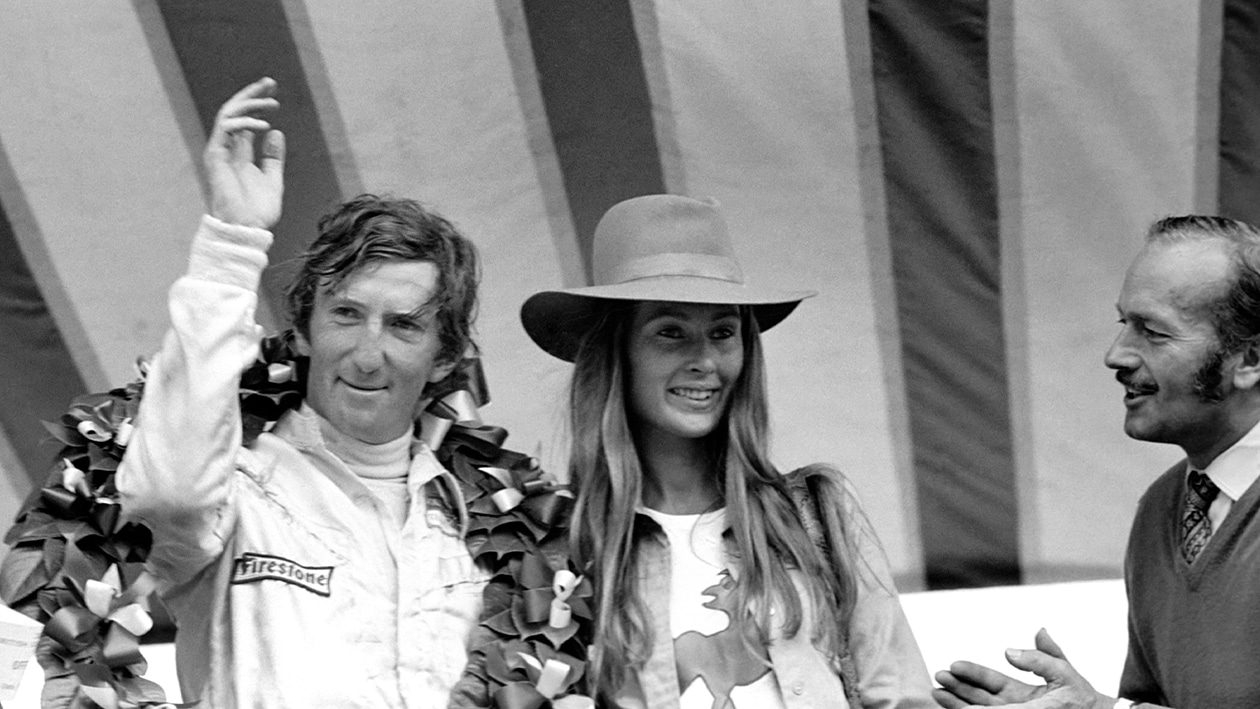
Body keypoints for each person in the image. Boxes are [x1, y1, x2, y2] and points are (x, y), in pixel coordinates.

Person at [116, 77, 487, 707]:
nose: (368, 354)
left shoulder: (485, 524)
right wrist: (232, 245)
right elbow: (169, 493)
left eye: (403, 325)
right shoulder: (237, 491)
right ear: (304, 329)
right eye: (346, 315)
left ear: (445, 354)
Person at [494, 194, 936, 707]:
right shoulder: (561, 548)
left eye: (723, 332)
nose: (705, 359)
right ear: (617, 352)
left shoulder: (819, 511)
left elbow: (902, 696)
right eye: (671, 332)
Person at [933, 215, 1260, 709]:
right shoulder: (1161, 508)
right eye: (1123, 324)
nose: (1116, 355)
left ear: (1251, 360)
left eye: (1153, 332)